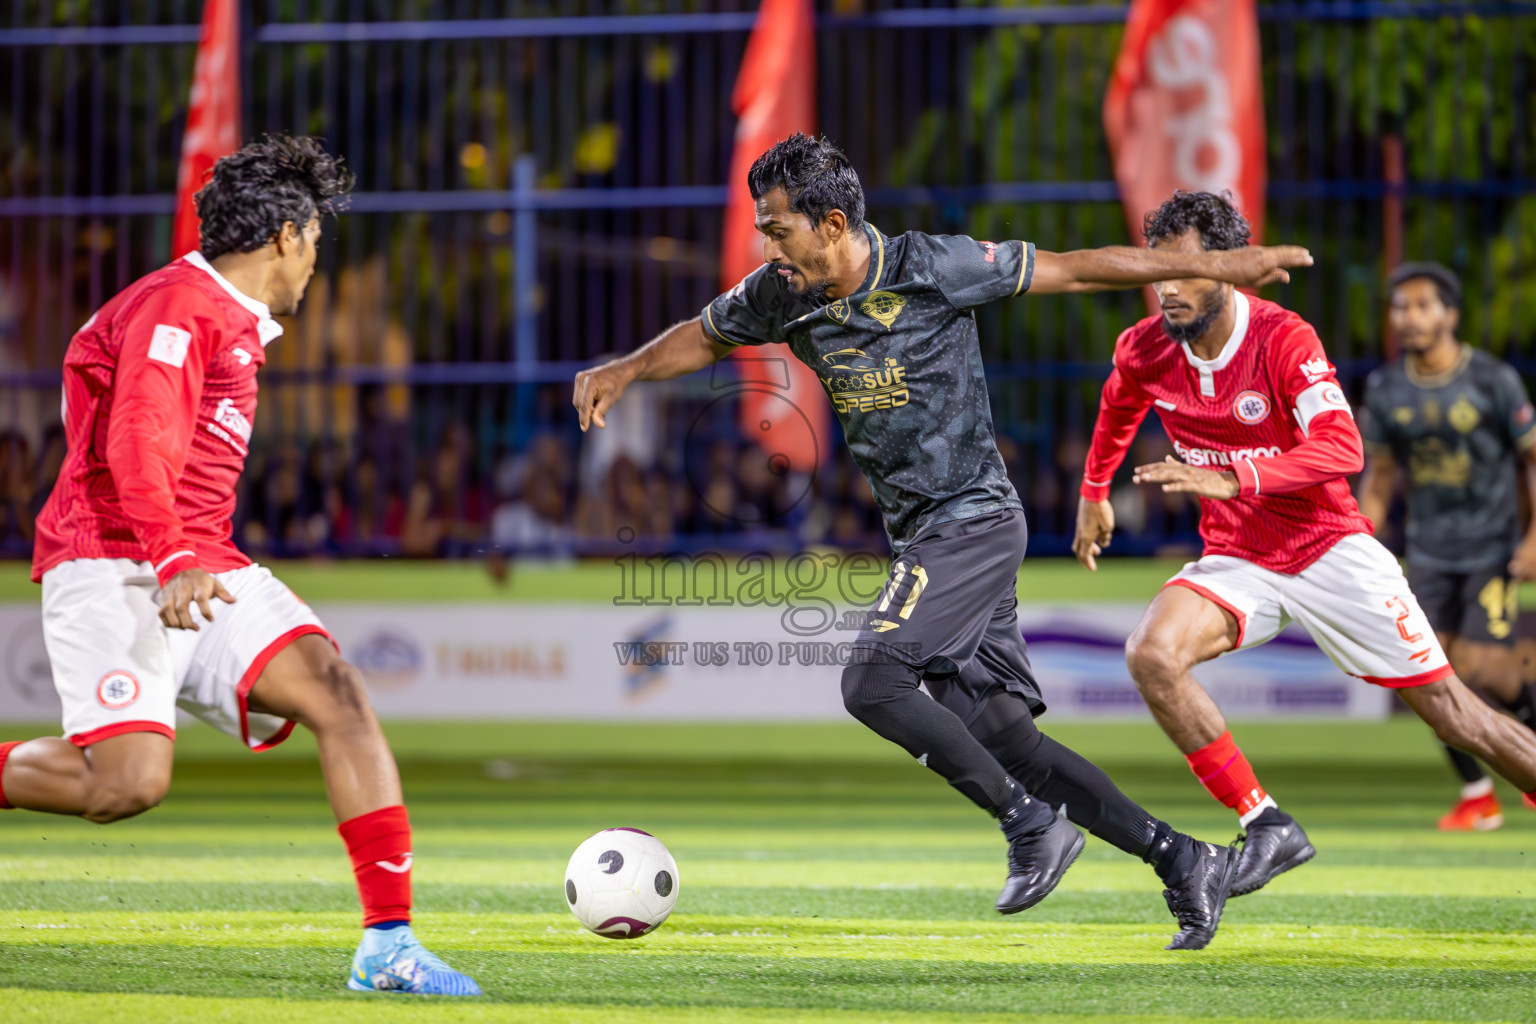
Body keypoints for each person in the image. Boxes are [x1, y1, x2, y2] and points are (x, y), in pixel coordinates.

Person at [574, 134, 1315, 949]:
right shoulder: (784, 290)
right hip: (923, 535)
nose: (766, 245)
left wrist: (1215, 270)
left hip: (973, 523)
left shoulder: (933, 265)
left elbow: (1075, 265)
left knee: (872, 680)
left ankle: (1029, 826)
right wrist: (628, 368)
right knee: (1007, 738)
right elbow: (708, 336)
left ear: (829, 223)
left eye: (776, 228)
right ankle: (1183, 860)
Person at [0, 135, 479, 997]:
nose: (315, 266)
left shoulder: (216, 312)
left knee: (335, 691)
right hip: (119, 562)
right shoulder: (182, 308)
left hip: (203, 562)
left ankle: (389, 947)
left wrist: (192, 555)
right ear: (288, 237)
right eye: (318, 244)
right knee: (126, 786)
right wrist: (174, 554)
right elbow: (136, 439)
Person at [1073, 190, 1536, 898]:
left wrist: (1238, 476)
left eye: (1185, 270)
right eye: (1156, 270)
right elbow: (1118, 405)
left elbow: (1342, 447)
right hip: (1237, 557)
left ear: (1228, 270)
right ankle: (1266, 824)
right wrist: (1094, 492)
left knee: (1459, 716)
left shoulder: (1284, 338)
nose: (1167, 287)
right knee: (1152, 655)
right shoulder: (1144, 349)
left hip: (1326, 547)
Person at [1359, 262, 1536, 830]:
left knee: (1484, 672)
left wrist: (1534, 539)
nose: (1408, 317)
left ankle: (1527, 763)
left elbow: (1532, 461)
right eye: (1399, 307)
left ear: (1450, 314)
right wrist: (1361, 541)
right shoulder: (1387, 388)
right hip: (1428, 555)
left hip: (1492, 549)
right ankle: (1479, 796)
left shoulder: (1492, 380)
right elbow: (1381, 475)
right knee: (1427, 675)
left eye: (1421, 305)